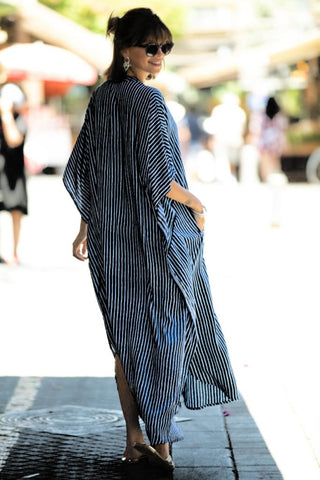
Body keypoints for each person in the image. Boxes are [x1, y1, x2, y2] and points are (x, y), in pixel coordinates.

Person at [63, 8, 238, 472]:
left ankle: (133, 441)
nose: (159, 56)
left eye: (165, 48)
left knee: (125, 340)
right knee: (164, 333)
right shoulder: (150, 101)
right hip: (153, 242)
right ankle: (161, 446)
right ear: (126, 50)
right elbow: (162, 181)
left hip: (110, 241)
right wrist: (198, 205)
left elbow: (85, 171)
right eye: (151, 47)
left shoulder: (101, 99)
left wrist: (85, 227)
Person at [0, 83, 28, 265]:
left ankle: (14, 252)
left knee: (15, 212)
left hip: (14, 174)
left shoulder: (19, 120)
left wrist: (6, 115)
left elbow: (13, 140)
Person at [258, 96, 287, 182]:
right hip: (276, 141)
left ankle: (267, 177)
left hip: (265, 141)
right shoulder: (280, 117)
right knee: (275, 161)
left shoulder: (262, 116)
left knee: (266, 161)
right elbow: (284, 129)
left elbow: (258, 129)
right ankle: (274, 176)